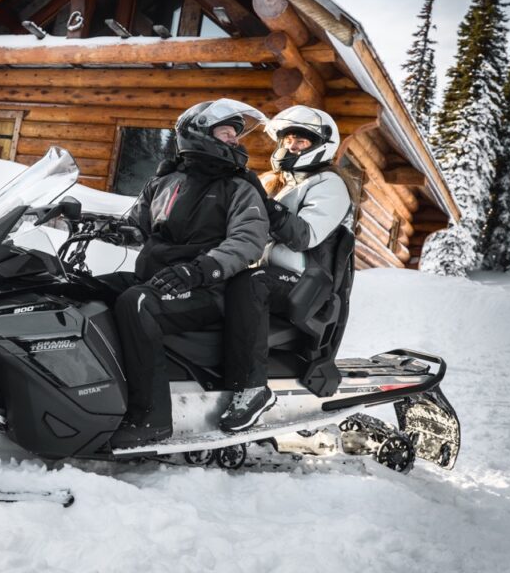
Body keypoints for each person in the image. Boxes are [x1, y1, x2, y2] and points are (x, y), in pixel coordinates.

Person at [100, 99, 270, 448]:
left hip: (208, 289)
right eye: (226, 133)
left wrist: (200, 270)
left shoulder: (239, 187)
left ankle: (151, 418)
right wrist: (106, 230)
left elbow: (248, 239)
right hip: (160, 280)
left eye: (235, 135)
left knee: (137, 303)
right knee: (84, 290)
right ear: (199, 133)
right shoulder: (165, 181)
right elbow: (139, 226)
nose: (235, 141)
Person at [218, 105, 355, 433]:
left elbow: (304, 235)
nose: (291, 146)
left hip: (307, 284)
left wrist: (263, 204)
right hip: (266, 275)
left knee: (252, 284)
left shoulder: (329, 184)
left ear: (320, 146)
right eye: (288, 139)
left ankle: (252, 388)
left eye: (301, 141)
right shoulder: (275, 182)